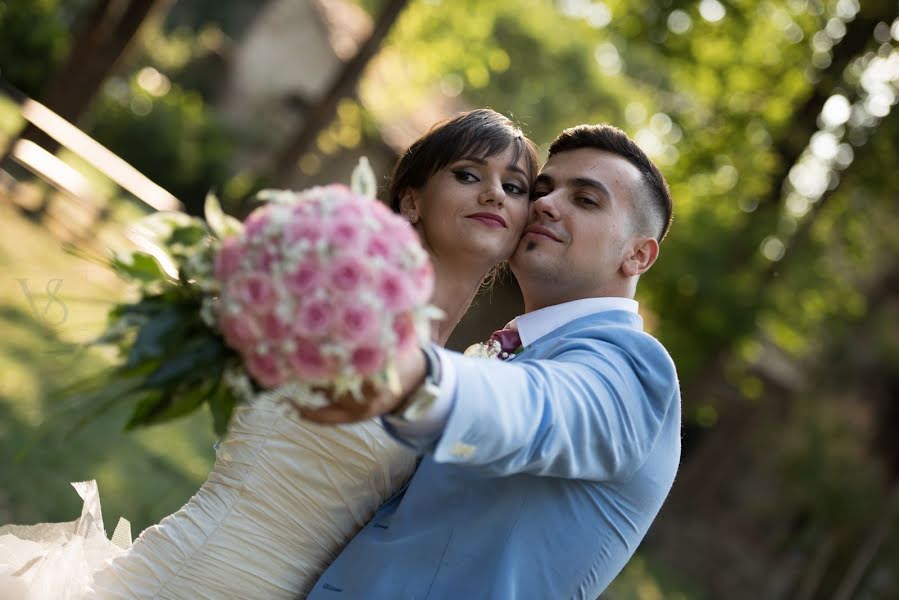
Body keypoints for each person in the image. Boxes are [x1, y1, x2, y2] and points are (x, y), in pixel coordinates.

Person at [0, 109, 539, 599]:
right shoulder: (324, 303)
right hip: (186, 581)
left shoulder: (474, 382)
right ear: (411, 199)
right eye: (469, 175)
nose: (493, 193)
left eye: (514, 187)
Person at [299, 124, 681, 599]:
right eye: (543, 189)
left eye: (585, 200)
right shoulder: (516, 349)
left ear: (638, 255)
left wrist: (414, 377)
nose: (545, 204)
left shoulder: (633, 373)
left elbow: (536, 410)